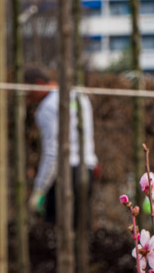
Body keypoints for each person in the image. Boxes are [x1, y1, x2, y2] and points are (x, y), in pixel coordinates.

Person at [24, 65, 98, 222]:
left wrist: (40, 189)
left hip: (65, 174)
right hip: (87, 169)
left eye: (27, 91)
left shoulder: (47, 108)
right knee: (81, 226)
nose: (26, 97)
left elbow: (52, 152)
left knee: (56, 229)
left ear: (38, 83)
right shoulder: (80, 97)